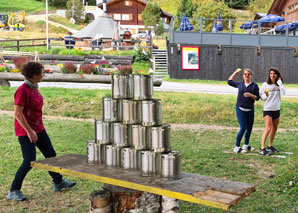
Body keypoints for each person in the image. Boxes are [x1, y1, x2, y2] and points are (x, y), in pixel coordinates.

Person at [7, 62, 76, 201]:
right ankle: (14, 190)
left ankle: (58, 182)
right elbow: (18, 114)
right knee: (29, 161)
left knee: (51, 155)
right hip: (25, 131)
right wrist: (29, 131)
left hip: (39, 128)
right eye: (41, 73)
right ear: (33, 75)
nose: (43, 75)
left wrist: (36, 129)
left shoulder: (34, 87)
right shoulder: (22, 90)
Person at [228, 68, 260, 153]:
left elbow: (257, 98)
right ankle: (237, 147)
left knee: (249, 128)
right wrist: (235, 72)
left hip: (250, 109)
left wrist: (250, 95)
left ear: (251, 76)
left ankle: (246, 145)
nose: (247, 76)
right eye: (245, 74)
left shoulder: (254, 85)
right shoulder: (240, 84)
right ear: (243, 76)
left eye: (248, 74)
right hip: (240, 108)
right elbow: (229, 81)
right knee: (243, 127)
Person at [259, 67, 286, 156]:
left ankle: (270, 146)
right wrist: (266, 95)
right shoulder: (265, 84)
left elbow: (284, 92)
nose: (272, 75)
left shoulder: (279, 85)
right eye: (271, 73)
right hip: (267, 109)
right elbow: (262, 97)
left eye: (274, 74)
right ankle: (262, 148)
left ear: (277, 75)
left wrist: (280, 83)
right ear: (269, 75)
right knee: (268, 128)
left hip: (276, 109)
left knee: (274, 128)